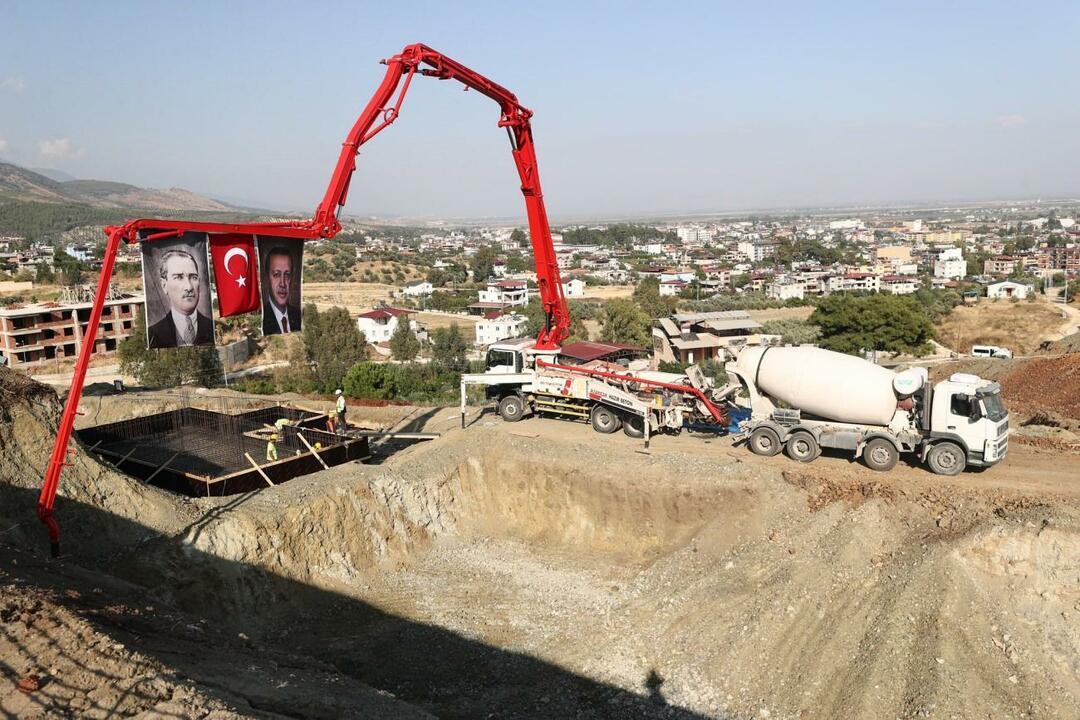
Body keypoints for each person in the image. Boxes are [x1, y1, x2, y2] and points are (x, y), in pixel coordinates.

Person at [147, 249, 214, 348]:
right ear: (164, 285)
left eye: (193, 277)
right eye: (178, 277)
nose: (189, 287)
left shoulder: (211, 327)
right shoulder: (153, 334)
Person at [261, 246, 301, 335]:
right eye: (276, 274)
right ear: (267, 279)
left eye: (287, 275)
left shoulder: (298, 316)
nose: (282, 284)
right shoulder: (262, 318)